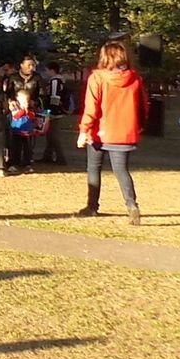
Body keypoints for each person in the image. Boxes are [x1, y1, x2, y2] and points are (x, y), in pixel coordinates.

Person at [75, 39, 146, 224]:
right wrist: (139, 125)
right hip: (124, 133)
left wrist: (84, 130)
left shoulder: (97, 78)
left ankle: (92, 207)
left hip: (99, 131)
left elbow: (91, 107)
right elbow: (143, 105)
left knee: (94, 168)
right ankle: (131, 205)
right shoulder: (135, 78)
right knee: (121, 171)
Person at [40, 62, 69, 165]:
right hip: (56, 111)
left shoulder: (55, 81)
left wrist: (52, 112)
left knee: (53, 136)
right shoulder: (58, 80)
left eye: (47, 70)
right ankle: (47, 156)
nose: (46, 72)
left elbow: (54, 97)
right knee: (50, 135)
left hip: (54, 112)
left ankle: (60, 158)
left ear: (52, 70)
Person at [8, 88, 40, 173]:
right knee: (16, 148)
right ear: (18, 99)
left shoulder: (30, 109)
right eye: (23, 100)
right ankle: (14, 163)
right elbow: (16, 116)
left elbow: (32, 117)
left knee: (27, 149)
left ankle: (27, 164)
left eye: (26, 101)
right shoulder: (15, 107)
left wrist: (28, 111)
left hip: (27, 132)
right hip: (17, 131)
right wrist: (23, 110)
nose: (25, 102)